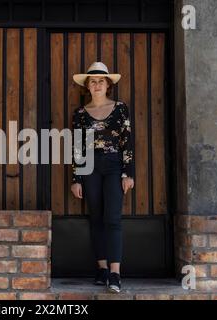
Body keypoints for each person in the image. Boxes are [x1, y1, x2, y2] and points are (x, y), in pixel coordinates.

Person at [70, 62, 134, 293]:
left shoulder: (120, 109)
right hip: (89, 167)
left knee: (113, 218)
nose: (97, 84)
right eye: (92, 81)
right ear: (87, 86)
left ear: (108, 85)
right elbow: (77, 147)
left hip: (114, 165)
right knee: (96, 217)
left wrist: (128, 173)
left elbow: (127, 141)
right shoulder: (80, 114)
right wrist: (76, 178)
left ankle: (115, 274)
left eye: (101, 81)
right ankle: (102, 269)